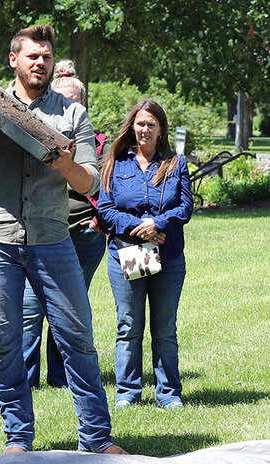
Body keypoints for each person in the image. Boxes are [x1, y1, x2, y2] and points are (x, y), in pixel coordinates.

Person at [0, 25, 126, 454]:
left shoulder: (72, 114)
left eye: (46, 56)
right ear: (14, 60)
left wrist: (63, 164)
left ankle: (97, 439)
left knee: (77, 336)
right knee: (4, 339)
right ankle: (17, 438)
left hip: (51, 239)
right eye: (31, 56)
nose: (39, 62)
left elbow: (89, 183)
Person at [98, 98, 193, 410]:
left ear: (161, 129)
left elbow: (186, 207)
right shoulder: (115, 162)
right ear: (132, 126)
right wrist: (141, 227)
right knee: (129, 326)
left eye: (151, 124)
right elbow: (106, 210)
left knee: (165, 328)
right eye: (140, 123)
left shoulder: (176, 163)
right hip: (129, 252)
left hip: (168, 256)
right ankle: (127, 392)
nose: (145, 129)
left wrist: (159, 223)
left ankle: (169, 394)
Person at [22, 60, 109, 389]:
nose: (66, 105)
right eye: (59, 98)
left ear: (82, 104)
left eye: (72, 100)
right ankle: (25, 379)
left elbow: (109, 186)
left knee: (69, 308)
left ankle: (60, 379)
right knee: (30, 309)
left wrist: (99, 219)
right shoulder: (34, 139)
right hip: (42, 233)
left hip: (84, 235)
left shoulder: (97, 143)